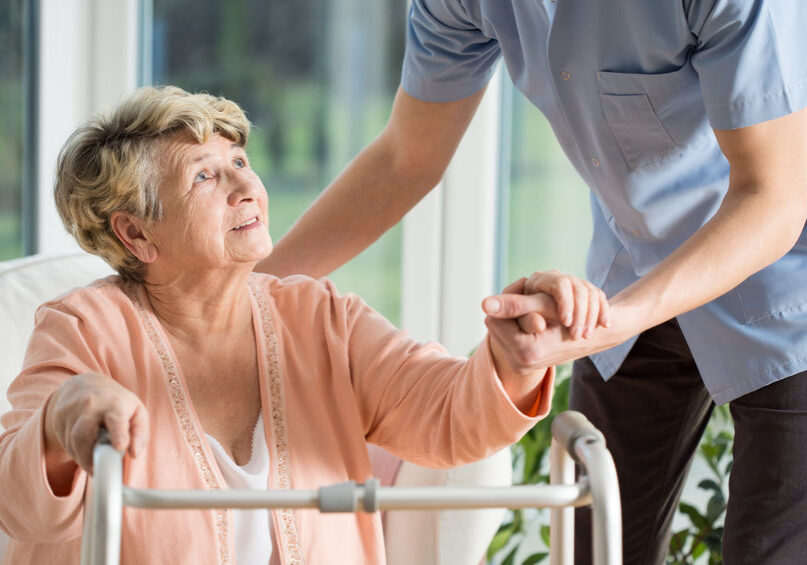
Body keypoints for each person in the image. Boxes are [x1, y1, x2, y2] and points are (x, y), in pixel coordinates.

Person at [256, 1, 807, 564]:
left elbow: (774, 198)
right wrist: (237, 291)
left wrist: (609, 324)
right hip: (633, 267)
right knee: (594, 542)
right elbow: (405, 158)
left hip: (788, 292)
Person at [0, 86, 606, 564]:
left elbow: (446, 413)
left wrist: (515, 358)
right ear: (135, 233)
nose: (246, 186)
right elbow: (16, 498)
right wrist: (61, 419)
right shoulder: (83, 327)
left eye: (239, 160)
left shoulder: (319, 316)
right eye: (204, 175)